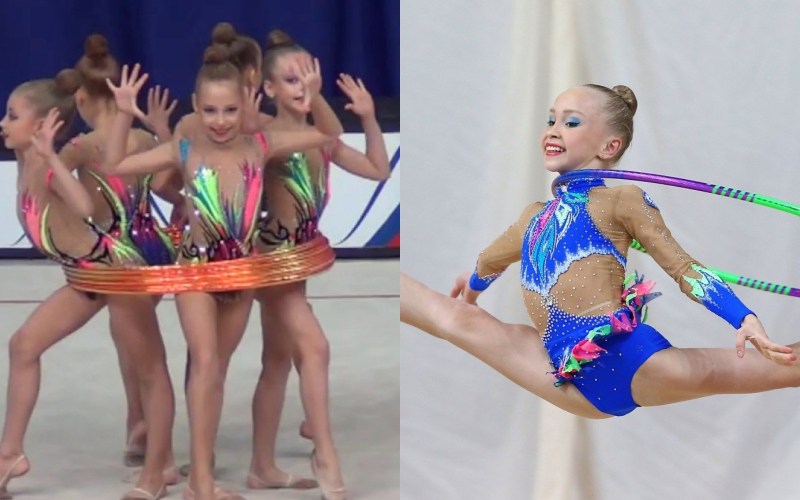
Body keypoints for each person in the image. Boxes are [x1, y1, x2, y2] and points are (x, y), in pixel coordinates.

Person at [400, 84, 799, 421]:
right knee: (453, 318)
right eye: (551, 119)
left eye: (571, 122)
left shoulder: (622, 201)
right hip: (563, 372)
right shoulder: (532, 217)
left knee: (786, 369)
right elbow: (489, 261)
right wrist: (469, 296)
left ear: (610, 146)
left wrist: (742, 317)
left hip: (632, 361)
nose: (554, 130)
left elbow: (685, 269)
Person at [103, 48, 335, 499]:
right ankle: (202, 483)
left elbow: (329, 132)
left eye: (230, 110)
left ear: (245, 105)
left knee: (216, 375)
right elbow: (115, 166)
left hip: (242, 276)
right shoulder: (184, 149)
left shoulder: (261, 145)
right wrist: (121, 114)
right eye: (210, 110)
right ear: (195, 107)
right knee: (205, 364)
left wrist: (316, 96)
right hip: (195, 272)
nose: (221, 120)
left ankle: (200, 476)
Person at [0, 36, 178, 500]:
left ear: (44, 123)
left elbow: (84, 207)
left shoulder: (54, 160)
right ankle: (9, 454)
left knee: (150, 367)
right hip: (88, 276)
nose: (3, 123)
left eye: (12, 116)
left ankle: (158, 471)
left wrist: (53, 156)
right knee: (23, 346)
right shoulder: (31, 162)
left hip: (118, 272)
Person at [245, 29, 390, 499]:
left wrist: (368, 119)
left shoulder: (321, 140)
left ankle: (261, 467)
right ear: (268, 89)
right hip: (271, 259)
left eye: (309, 78)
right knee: (316, 348)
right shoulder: (264, 136)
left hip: (298, 258)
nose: (302, 88)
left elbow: (377, 170)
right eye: (291, 80)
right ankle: (324, 452)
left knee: (277, 360)